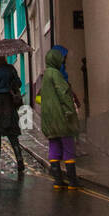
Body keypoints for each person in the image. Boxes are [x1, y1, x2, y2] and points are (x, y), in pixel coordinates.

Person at [39, 46, 81, 188]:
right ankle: (72, 181)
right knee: (68, 146)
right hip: (61, 117)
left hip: (48, 119)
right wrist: (70, 111)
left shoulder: (45, 77)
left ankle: (58, 180)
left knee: (54, 146)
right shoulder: (56, 75)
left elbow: (40, 98)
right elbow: (64, 94)